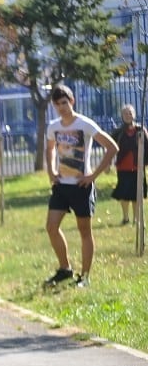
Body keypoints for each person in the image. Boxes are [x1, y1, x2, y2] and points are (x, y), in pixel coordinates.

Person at [44, 84, 118, 288]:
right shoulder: (53, 127)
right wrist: (51, 172)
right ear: (53, 105)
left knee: (84, 231)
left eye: (64, 103)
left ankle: (84, 277)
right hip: (61, 186)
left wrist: (93, 175)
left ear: (72, 101)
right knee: (51, 227)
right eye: (57, 104)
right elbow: (49, 149)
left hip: (81, 186)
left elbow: (112, 147)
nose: (61, 107)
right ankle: (65, 269)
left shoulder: (85, 124)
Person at [110, 103, 147, 226]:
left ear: (134, 115)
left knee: (137, 194)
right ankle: (125, 218)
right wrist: (107, 164)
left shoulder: (141, 130)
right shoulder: (118, 132)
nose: (128, 115)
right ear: (122, 116)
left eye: (130, 113)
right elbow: (110, 148)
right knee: (124, 194)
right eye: (125, 113)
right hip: (123, 167)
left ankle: (137, 219)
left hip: (138, 168)